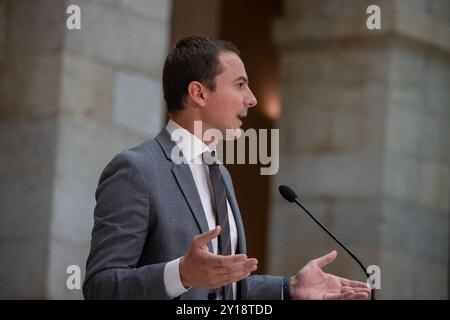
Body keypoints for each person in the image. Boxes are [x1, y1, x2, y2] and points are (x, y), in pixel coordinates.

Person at [83, 36, 371, 300]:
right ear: (198, 93)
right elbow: (100, 287)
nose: (252, 99)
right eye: (240, 85)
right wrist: (181, 273)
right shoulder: (137, 170)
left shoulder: (220, 174)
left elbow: (224, 290)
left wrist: (290, 287)